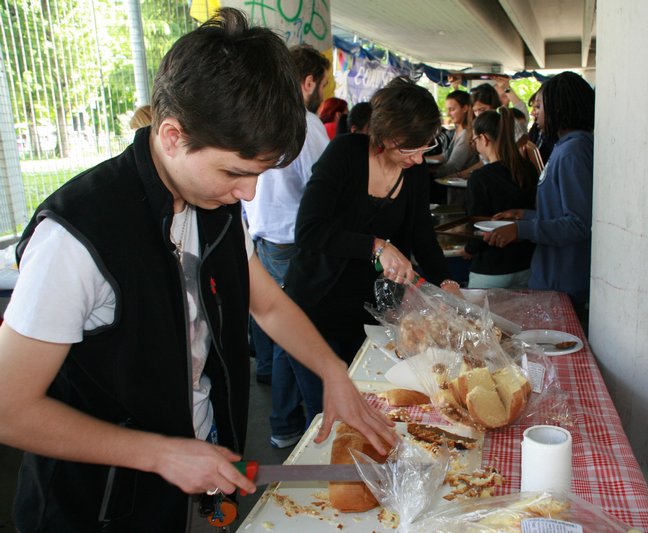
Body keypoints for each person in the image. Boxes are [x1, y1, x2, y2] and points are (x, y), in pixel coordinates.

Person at [0, 9, 395, 532]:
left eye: (257, 174)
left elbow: (268, 303)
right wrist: (161, 454)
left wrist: (331, 371)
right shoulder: (76, 237)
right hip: (98, 505)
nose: (248, 193)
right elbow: (9, 408)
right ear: (171, 135)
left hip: (199, 473)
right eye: (235, 172)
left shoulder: (215, 205)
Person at [280, 77, 461, 426]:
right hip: (316, 305)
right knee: (325, 414)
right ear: (389, 139)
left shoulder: (414, 174)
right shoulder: (345, 154)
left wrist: (446, 283)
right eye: (412, 149)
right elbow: (308, 230)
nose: (420, 159)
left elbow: (423, 235)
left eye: (425, 148)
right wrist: (376, 246)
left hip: (370, 315)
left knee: (372, 405)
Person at [242, 44, 331, 449]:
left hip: (262, 234)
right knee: (292, 330)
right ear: (308, 81)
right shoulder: (305, 123)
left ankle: (283, 423)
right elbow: (322, 187)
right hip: (290, 241)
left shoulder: (262, 117)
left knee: (279, 328)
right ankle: (293, 422)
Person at [484, 71, 594, 324]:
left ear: (559, 108)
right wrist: (524, 215)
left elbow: (577, 223)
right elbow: (560, 213)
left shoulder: (573, 152)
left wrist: (521, 230)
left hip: (563, 280)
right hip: (553, 277)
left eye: (540, 106)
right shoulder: (566, 147)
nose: (534, 113)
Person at [465, 107, 537, 289]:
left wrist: (468, 249)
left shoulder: (480, 177)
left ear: (483, 138)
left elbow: (477, 225)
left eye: (474, 139)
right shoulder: (527, 169)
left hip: (491, 268)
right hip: (526, 264)